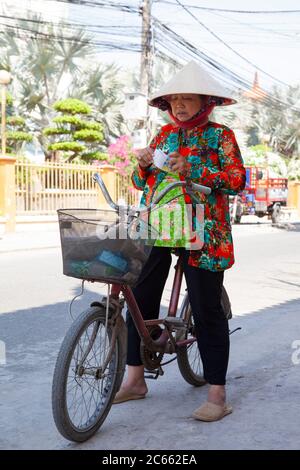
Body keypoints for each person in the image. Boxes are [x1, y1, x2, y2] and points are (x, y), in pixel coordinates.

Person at [114, 60, 246, 422]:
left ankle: (217, 395)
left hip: (203, 230)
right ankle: (135, 379)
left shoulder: (221, 137)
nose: (180, 105)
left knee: (206, 310)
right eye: (175, 100)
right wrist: (142, 165)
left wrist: (196, 170)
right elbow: (143, 185)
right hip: (159, 222)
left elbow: (236, 180)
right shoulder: (162, 137)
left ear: (205, 103)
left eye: (188, 99)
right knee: (139, 300)